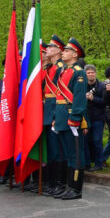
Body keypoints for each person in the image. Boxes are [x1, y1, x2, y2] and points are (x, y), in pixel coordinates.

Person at [52, 38, 89, 200]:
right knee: (67, 154)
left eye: (66, 50)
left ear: (74, 54)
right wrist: (55, 117)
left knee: (75, 154)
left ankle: (76, 188)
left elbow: (79, 97)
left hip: (70, 117)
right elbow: (58, 96)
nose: (63, 52)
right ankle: (68, 186)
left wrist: (75, 117)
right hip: (61, 117)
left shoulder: (78, 72)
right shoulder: (64, 71)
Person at [41, 35, 66, 196]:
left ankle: (60, 183)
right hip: (47, 111)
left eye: (50, 47)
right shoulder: (49, 68)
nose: (47, 49)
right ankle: (49, 183)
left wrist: (57, 115)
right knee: (49, 150)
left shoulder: (61, 68)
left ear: (58, 50)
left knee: (58, 150)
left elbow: (62, 94)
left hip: (55, 111)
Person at [84, 64, 106, 170]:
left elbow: (105, 102)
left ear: (95, 73)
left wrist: (93, 99)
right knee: (85, 141)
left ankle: (99, 163)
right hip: (86, 118)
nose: (91, 74)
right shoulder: (82, 86)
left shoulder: (101, 86)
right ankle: (87, 163)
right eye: (88, 73)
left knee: (97, 141)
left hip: (98, 117)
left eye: (92, 72)